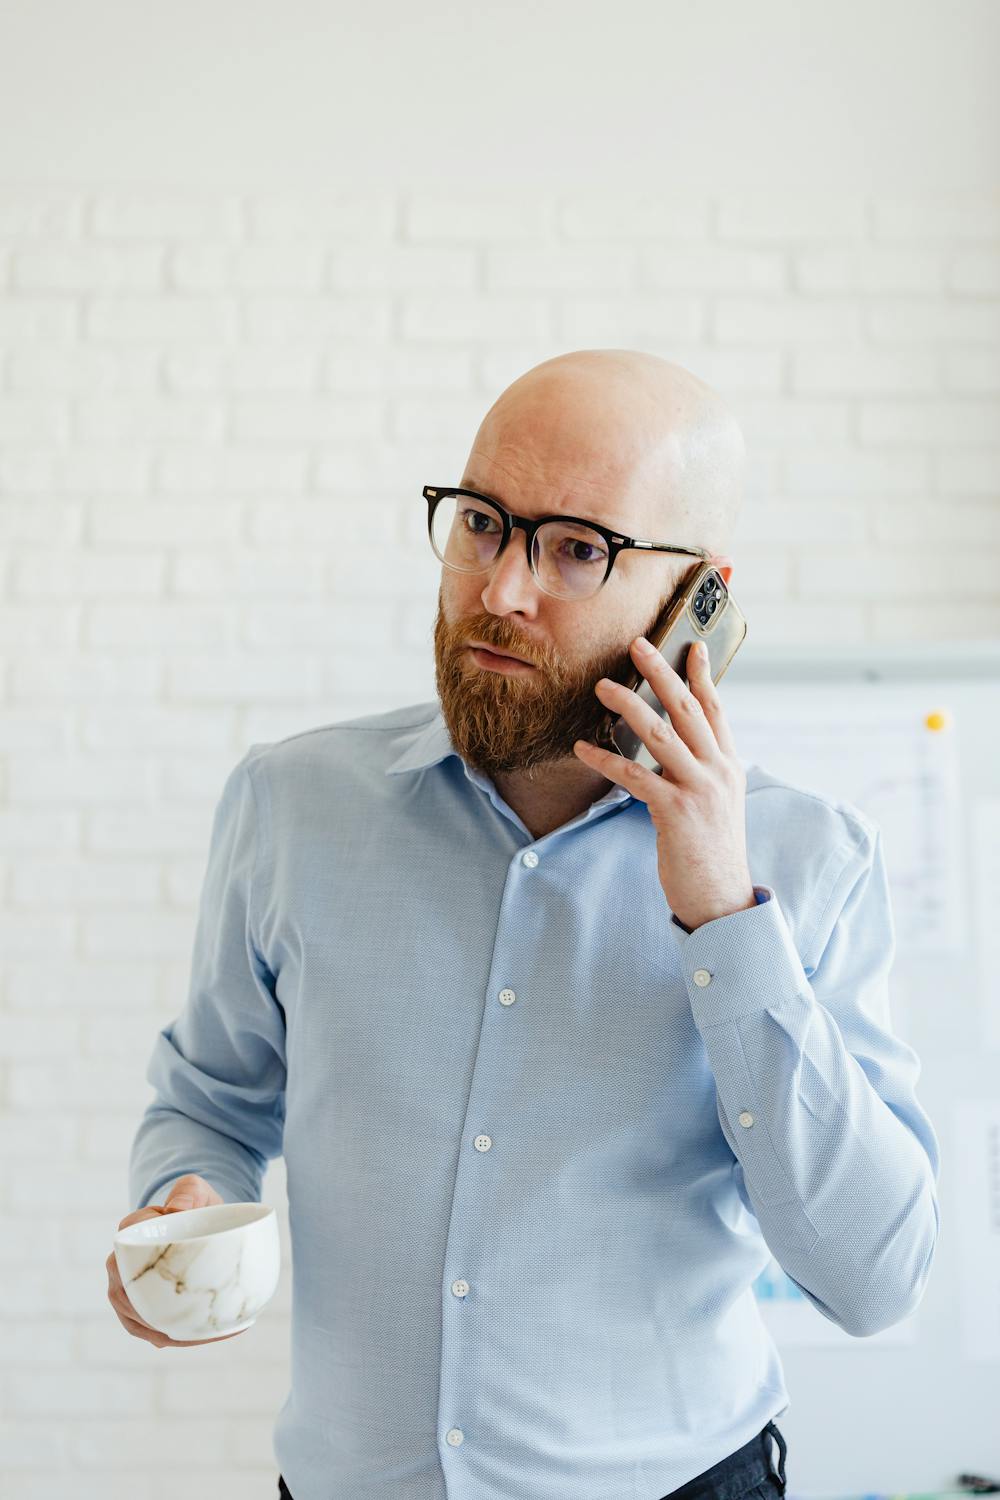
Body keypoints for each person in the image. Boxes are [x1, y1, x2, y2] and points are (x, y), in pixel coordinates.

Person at [109, 349, 940, 1500]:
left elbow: (873, 1275)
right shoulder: (289, 806)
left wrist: (724, 921)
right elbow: (208, 1100)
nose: (501, 590)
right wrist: (183, 1194)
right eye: (484, 523)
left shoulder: (807, 861)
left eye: (576, 548)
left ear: (697, 593)